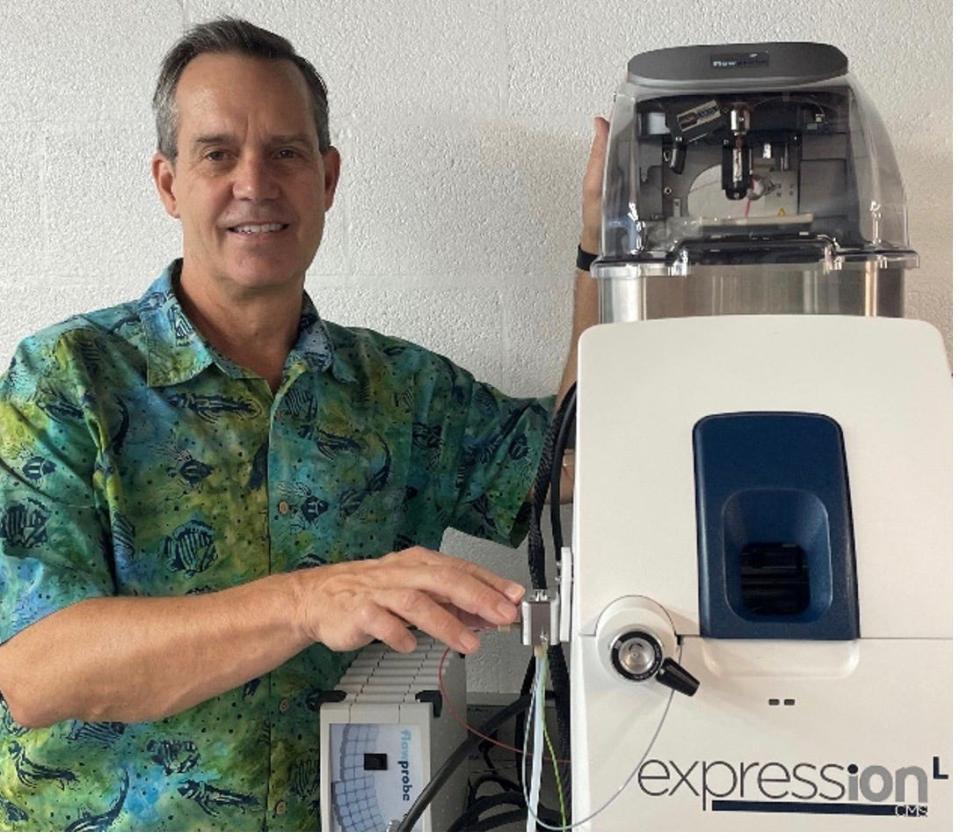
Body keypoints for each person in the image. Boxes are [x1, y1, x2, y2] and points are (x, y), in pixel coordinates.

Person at [0, 17, 606, 831]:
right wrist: (307, 601)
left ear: (326, 177)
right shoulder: (67, 379)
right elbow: (38, 670)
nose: (256, 182)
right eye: (218, 153)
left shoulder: (400, 390)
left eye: (285, 152)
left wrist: (605, 255)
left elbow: (570, 464)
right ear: (168, 182)